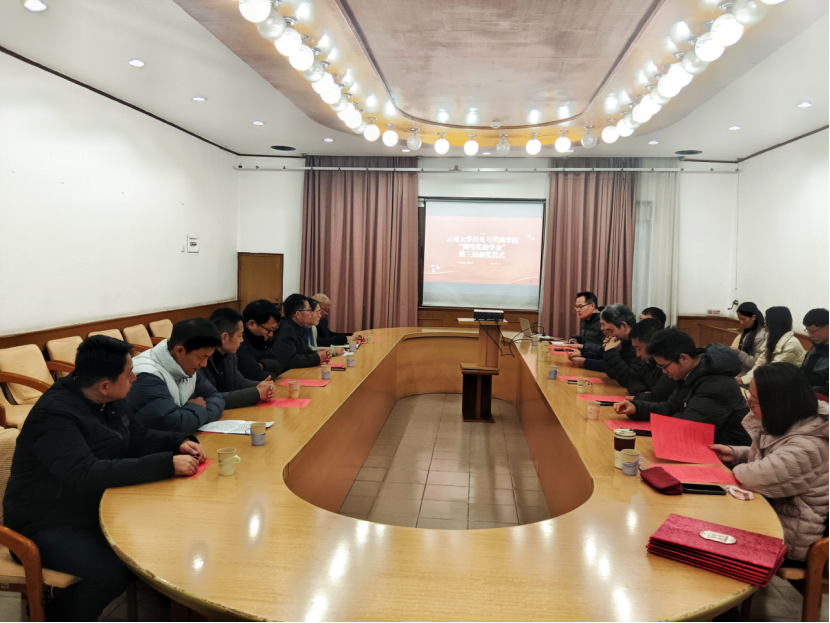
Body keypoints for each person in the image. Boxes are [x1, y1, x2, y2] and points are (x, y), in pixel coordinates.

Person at [3, 336, 205, 622]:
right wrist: (165, 464)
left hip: (90, 506)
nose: (134, 377)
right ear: (105, 385)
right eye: (129, 373)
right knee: (115, 569)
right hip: (44, 524)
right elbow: (87, 473)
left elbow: (136, 436)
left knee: (164, 532)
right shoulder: (53, 415)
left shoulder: (108, 398)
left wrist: (178, 442)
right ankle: (54, 616)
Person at [710, 363, 828, 564]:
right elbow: (775, 459)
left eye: (754, 401)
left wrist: (735, 468)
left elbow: (756, 476)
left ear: (778, 404)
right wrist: (737, 454)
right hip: (775, 513)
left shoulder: (808, 445)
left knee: (713, 529)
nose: (748, 405)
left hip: (794, 537)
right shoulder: (796, 419)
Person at [614, 328, 752, 445]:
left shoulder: (717, 384)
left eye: (664, 366)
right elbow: (670, 408)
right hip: (704, 446)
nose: (663, 372)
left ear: (684, 358)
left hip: (728, 457)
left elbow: (689, 427)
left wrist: (677, 415)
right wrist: (637, 408)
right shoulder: (689, 374)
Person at [126, 318, 225, 434]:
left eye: (208, 357)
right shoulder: (146, 375)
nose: (204, 364)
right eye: (201, 357)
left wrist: (195, 418)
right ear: (180, 351)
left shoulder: (186, 365)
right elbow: (172, 425)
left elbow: (215, 397)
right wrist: (197, 409)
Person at [202, 307, 275, 408]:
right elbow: (211, 398)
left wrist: (262, 386)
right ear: (224, 337)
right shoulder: (201, 360)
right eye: (240, 336)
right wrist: (256, 393)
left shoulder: (229, 355)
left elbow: (239, 381)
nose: (242, 340)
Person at [739, 306, 806, 385]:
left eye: (767, 319)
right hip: (770, 381)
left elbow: (773, 371)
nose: (764, 321)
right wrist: (743, 379)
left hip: (783, 385)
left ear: (775, 322)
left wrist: (744, 381)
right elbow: (759, 364)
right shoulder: (772, 339)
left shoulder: (792, 344)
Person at [581, 304, 640, 381]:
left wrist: (611, 352)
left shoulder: (639, 344)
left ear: (623, 326)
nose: (602, 329)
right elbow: (612, 374)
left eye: (610, 330)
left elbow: (629, 379)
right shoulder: (623, 341)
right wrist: (613, 351)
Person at [625, 318, 678, 402]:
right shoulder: (648, 361)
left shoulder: (671, 363)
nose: (637, 354)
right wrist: (644, 393)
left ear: (652, 344)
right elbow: (632, 380)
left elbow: (659, 397)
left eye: (639, 349)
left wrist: (642, 397)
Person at [236, 299, 289, 382]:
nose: (271, 334)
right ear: (251, 324)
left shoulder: (261, 338)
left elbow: (280, 364)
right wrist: (271, 374)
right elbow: (258, 377)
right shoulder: (238, 341)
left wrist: (261, 365)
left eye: (273, 330)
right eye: (269, 330)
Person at [274, 294, 331, 368]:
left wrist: (318, 353)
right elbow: (290, 360)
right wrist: (317, 357)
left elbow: (305, 351)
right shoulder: (285, 330)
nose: (311, 313)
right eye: (309, 310)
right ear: (298, 314)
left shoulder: (302, 327)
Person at [730, 302, 767, 376]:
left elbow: (757, 364)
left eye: (743, 319)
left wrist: (739, 353)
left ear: (753, 317)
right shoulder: (750, 332)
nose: (741, 322)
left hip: (750, 375)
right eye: (739, 319)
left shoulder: (761, 336)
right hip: (742, 371)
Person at [801, 308, 829, 396]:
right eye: (808, 331)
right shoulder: (816, 346)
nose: (810, 336)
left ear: (827, 327)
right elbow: (804, 371)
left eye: (812, 332)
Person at [567, 291, 603, 357]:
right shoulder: (585, 321)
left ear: (592, 306)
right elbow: (588, 339)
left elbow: (605, 349)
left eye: (581, 306)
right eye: (576, 307)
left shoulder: (604, 322)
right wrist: (576, 339)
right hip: (585, 356)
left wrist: (583, 346)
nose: (578, 310)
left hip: (595, 360)